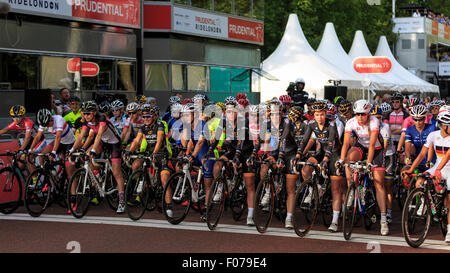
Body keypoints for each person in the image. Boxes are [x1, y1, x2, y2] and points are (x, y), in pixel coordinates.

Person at [337, 99, 389, 236]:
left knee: (379, 183)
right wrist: (341, 160)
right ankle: (352, 189)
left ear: (368, 113)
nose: (360, 117)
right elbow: (346, 144)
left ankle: (383, 220)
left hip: (376, 149)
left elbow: (372, 145)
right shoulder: (351, 122)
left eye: (363, 114)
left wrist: (369, 163)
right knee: (349, 160)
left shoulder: (374, 122)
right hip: (361, 146)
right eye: (358, 114)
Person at [68, 101, 126, 214]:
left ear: (94, 112)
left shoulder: (102, 118)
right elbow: (81, 136)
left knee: (116, 173)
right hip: (103, 141)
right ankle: (98, 177)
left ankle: (122, 201)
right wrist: (72, 150)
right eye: (84, 113)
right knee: (86, 157)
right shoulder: (86, 120)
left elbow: (98, 134)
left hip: (114, 143)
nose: (86, 116)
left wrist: (94, 150)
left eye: (88, 113)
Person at [405, 105, 450, 244]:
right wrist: (411, 169)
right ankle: (423, 199)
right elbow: (422, 154)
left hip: (448, 167)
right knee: (420, 179)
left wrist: (438, 170)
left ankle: (449, 230)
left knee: (449, 199)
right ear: (443, 125)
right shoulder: (433, 135)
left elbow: (448, 156)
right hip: (437, 166)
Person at [297, 101, 344, 232]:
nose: (320, 118)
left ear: (326, 114)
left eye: (322, 114)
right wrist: (298, 154)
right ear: (314, 115)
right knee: (306, 168)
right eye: (317, 115)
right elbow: (305, 140)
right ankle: (315, 189)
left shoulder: (332, 124)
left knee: (335, 189)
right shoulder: (311, 124)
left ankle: (334, 221)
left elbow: (331, 144)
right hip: (322, 152)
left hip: (334, 153)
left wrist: (326, 159)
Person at [126, 105, 173, 211]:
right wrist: (129, 151)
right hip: (149, 153)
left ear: (154, 117)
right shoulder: (143, 128)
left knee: (164, 179)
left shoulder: (160, 125)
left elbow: (159, 140)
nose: (146, 119)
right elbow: (137, 140)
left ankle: (169, 206)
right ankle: (142, 186)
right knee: (136, 164)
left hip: (161, 153)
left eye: (148, 117)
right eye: (144, 117)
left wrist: (155, 153)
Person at [30, 109, 76, 185]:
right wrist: (30, 149)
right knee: (42, 155)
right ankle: (50, 174)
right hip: (60, 142)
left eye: (48, 124)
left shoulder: (58, 119)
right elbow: (38, 137)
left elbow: (58, 137)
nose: (47, 126)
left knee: (68, 170)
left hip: (69, 142)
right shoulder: (44, 122)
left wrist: (53, 152)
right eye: (45, 125)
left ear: (51, 118)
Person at [404, 104, 437, 170]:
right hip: (417, 161)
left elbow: (431, 146)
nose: (418, 122)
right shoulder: (409, 130)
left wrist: (429, 161)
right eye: (415, 120)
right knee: (404, 173)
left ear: (424, 118)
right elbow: (407, 147)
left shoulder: (432, 128)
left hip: (432, 161)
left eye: (420, 120)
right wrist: (408, 158)